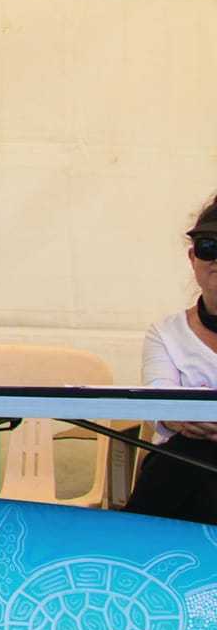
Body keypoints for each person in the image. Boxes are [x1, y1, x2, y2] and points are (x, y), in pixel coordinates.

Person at [124, 191, 217, 523]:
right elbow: (157, 405)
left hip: (179, 471)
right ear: (193, 258)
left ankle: (127, 546)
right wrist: (178, 419)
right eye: (209, 248)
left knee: (193, 454)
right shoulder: (165, 333)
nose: (216, 260)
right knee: (196, 455)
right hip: (185, 469)